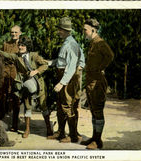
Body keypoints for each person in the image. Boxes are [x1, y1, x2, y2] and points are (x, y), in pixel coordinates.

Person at [0, 36, 53, 138]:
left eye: (23, 45)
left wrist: (36, 71)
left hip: (38, 84)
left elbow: (45, 65)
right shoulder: (17, 56)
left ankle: (49, 128)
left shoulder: (34, 55)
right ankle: (27, 130)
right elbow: (8, 55)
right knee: (27, 106)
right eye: (19, 45)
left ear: (27, 46)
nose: (20, 47)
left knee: (43, 105)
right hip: (26, 83)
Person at [47, 17, 85, 143]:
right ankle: (61, 132)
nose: (58, 32)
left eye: (60, 30)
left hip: (68, 77)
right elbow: (63, 61)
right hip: (63, 74)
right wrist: (50, 63)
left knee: (67, 105)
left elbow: (72, 66)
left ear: (66, 31)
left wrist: (62, 83)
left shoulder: (72, 44)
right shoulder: (67, 43)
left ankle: (73, 135)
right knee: (60, 104)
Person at [80, 18, 114, 149]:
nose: (84, 32)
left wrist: (100, 68)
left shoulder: (100, 43)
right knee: (93, 110)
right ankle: (94, 138)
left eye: (85, 30)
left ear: (93, 30)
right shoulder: (92, 43)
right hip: (90, 81)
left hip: (98, 82)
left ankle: (98, 140)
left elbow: (110, 56)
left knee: (98, 111)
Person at [0, 25, 21, 132]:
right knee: (1, 97)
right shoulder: (6, 44)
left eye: (16, 32)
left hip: (16, 73)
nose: (14, 34)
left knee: (16, 98)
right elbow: (0, 57)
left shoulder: (22, 45)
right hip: (5, 73)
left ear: (20, 33)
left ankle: (15, 124)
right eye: (12, 32)